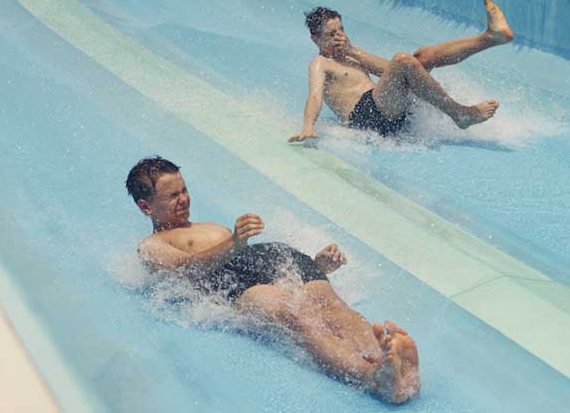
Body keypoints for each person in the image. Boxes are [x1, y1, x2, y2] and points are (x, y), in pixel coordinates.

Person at [126, 156, 420, 404]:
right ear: (146, 207)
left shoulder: (209, 226)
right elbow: (187, 267)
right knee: (297, 315)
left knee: (333, 307)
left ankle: (392, 366)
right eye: (172, 195)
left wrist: (318, 265)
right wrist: (233, 243)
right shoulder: (151, 246)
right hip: (232, 279)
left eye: (185, 189)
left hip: (274, 257)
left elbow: (247, 253)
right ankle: (371, 377)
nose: (184, 199)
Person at [288, 0, 514, 142]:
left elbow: (390, 71)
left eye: (341, 30)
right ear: (315, 39)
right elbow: (315, 95)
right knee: (404, 60)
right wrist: (308, 126)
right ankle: (460, 113)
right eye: (331, 34)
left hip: (384, 107)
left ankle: (490, 38)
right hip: (366, 118)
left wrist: (353, 50)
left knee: (421, 57)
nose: (340, 37)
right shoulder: (320, 63)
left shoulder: (351, 53)